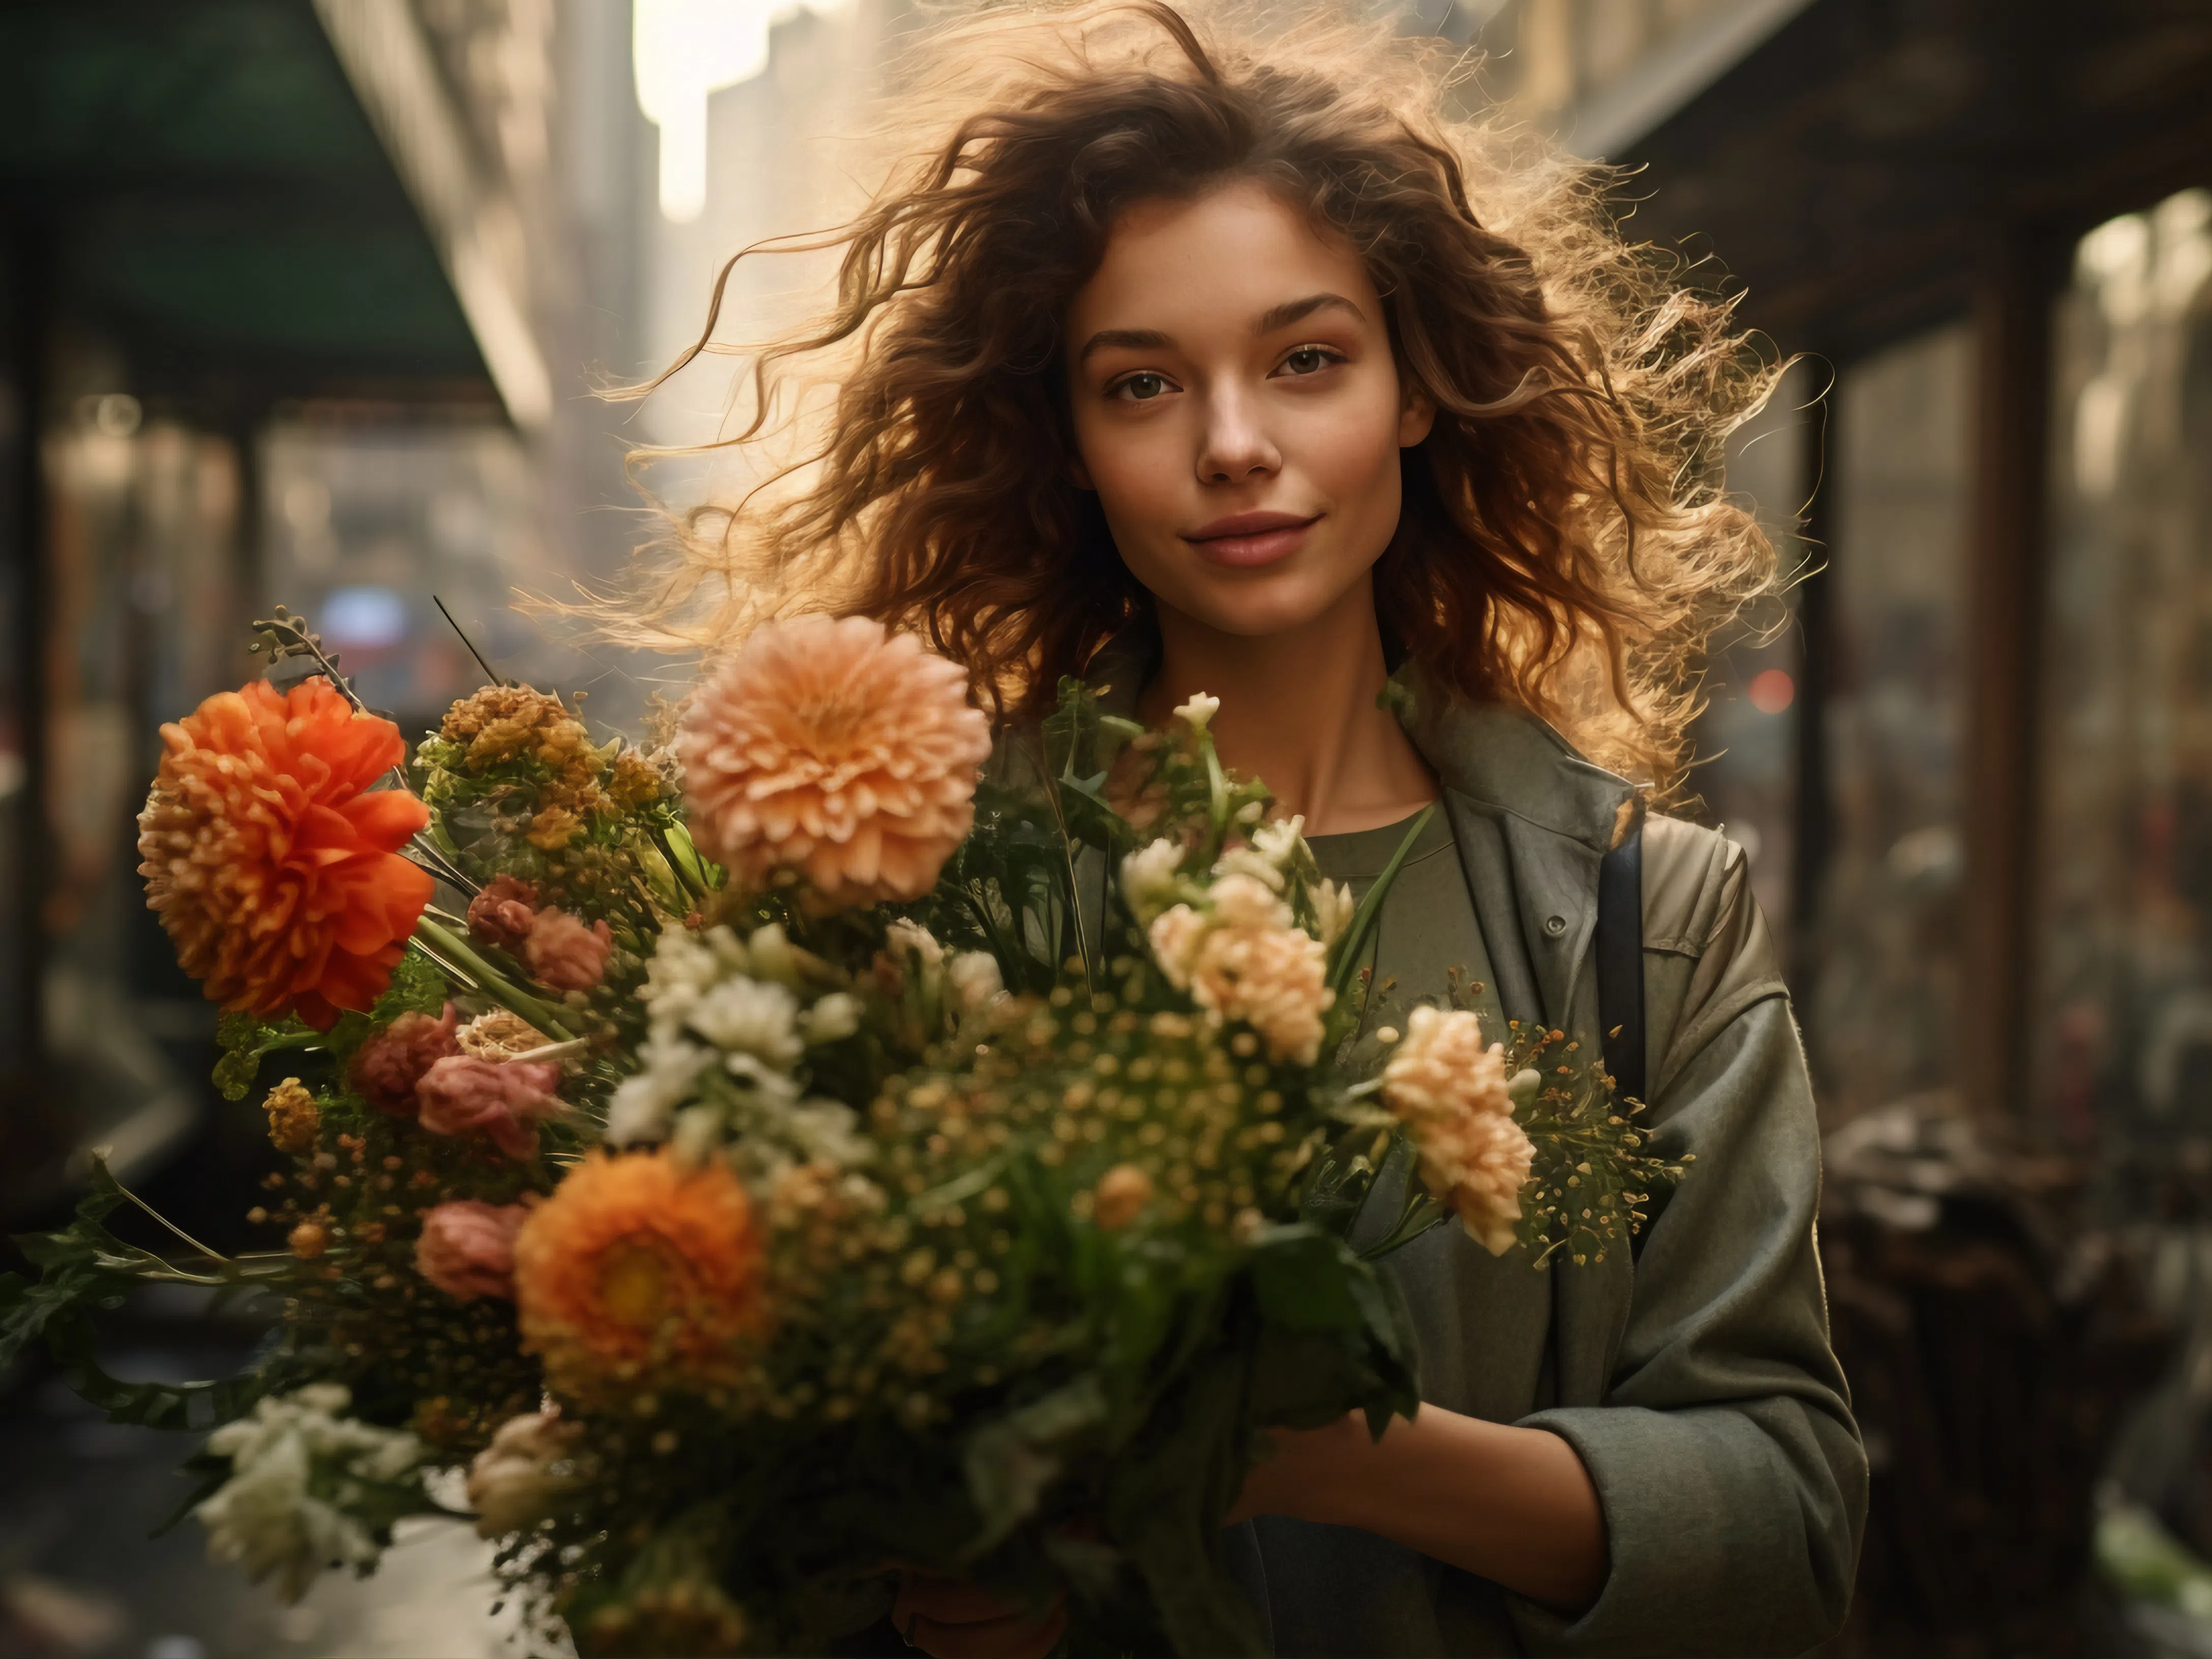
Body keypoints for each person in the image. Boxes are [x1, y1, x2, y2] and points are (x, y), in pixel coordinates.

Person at [625, 4, 1866, 1653]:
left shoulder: (1646, 917)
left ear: (1416, 390)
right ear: (1065, 443)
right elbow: (712, 1499)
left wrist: (1320, 1457)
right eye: (1142, 383)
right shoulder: (906, 888)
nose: (1233, 444)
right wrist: (919, 1573)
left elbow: (1788, 1520)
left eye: (1305, 360)